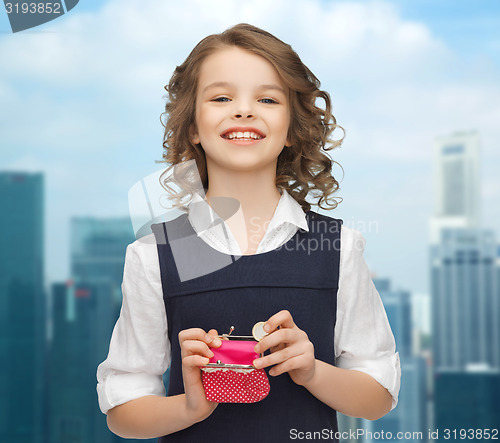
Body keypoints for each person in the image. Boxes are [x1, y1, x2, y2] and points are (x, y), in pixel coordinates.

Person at [96, 23, 401, 442]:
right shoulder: (156, 255)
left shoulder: (338, 248)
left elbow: (379, 396)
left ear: (294, 127)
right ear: (192, 127)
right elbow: (122, 411)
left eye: (267, 98)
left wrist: (312, 371)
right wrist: (188, 407)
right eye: (221, 97)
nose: (243, 110)